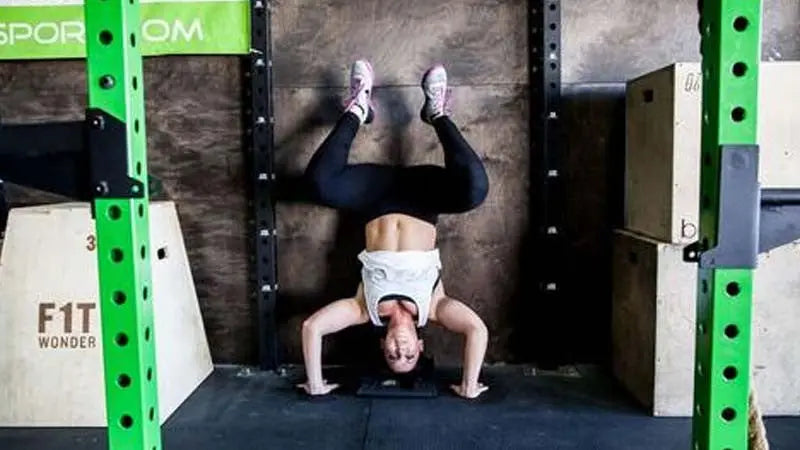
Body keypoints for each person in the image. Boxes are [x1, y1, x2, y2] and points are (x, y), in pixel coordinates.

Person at [298, 60, 490, 399]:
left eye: (392, 356)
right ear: (420, 345)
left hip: (374, 197)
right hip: (423, 197)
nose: (400, 351)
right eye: (409, 356)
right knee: (476, 190)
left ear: (382, 346)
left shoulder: (363, 310)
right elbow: (477, 329)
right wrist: (469, 385)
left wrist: (316, 383)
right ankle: (437, 112)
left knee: (318, 184)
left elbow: (312, 327)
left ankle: (358, 108)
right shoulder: (435, 308)